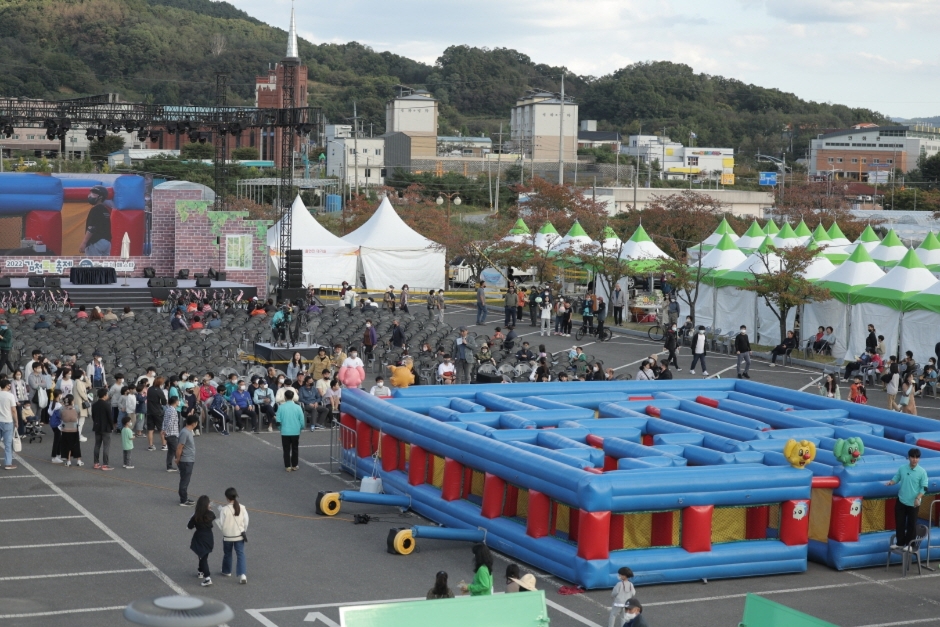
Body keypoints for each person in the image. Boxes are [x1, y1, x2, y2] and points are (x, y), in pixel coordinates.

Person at [886, 448, 928, 550]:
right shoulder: (902, 468)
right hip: (901, 500)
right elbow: (897, 477)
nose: (915, 459)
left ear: (919, 459)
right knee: (899, 523)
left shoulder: (922, 472)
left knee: (911, 524)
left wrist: (918, 498)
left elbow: (924, 487)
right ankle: (900, 543)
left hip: (913, 503)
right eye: (913, 457)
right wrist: (891, 482)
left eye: (917, 457)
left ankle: (910, 545)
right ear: (908, 458)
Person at [216, 487, 249, 584]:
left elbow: (221, 523)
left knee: (227, 553)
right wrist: (243, 530)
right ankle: (242, 574)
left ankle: (227, 571)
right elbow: (246, 522)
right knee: (240, 554)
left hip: (227, 536)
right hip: (239, 535)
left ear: (227, 497)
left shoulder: (224, 509)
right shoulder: (242, 507)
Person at [188, 495, 216, 587]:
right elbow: (213, 516)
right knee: (203, 555)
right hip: (209, 537)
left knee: (202, 557)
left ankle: (207, 577)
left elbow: (189, 526)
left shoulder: (196, 515)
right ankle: (200, 571)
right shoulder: (211, 514)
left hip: (200, 537)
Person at [79, 185, 112, 255]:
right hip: (106, 242)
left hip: (96, 242)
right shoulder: (105, 210)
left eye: (94, 194)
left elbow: (91, 228)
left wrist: (84, 242)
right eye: (90, 193)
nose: (90, 196)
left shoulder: (95, 209)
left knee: (94, 264)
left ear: (101, 197)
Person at [276, 389, 304, 472]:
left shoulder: (281, 407)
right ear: (293, 397)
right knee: (295, 448)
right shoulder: (298, 407)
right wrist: (301, 428)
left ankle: (287, 466)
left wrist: (280, 429)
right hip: (295, 431)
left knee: (286, 449)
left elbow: (278, 420)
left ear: (285, 397)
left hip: (285, 431)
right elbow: (302, 420)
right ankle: (294, 465)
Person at [176, 416, 198, 506]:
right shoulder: (185, 432)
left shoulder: (188, 431)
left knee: (186, 480)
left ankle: (184, 497)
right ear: (193, 423)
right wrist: (178, 459)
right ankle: (183, 500)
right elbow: (180, 447)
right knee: (185, 480)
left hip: (189, 459)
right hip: (186, 460)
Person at [91, 387, 113, 471]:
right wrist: (112, 426)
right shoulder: (107, 405)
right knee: (106, 446)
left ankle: (96, 463)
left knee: (97, 445)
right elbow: (110, 417)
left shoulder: (94, 405)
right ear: (104, 395)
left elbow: (93, 416)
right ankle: (105, 464)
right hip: (106, 428)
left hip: (97, 427)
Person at [59, 394, 82, 467]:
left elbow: (60, 416)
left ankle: (68, 461)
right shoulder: (76, 407)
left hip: (65, 429)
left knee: (67, 445)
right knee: (76, 445)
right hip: (74, 428)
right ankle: (79, 460)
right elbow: (78, 415)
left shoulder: (62, 408)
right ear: (72, 401)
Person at [0, 378, 18, 470]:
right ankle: (8, 463)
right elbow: (14, 410)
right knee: (8, 443)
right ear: (7, 386)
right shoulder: (10, 396)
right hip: (7, 420)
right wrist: (16, 421)